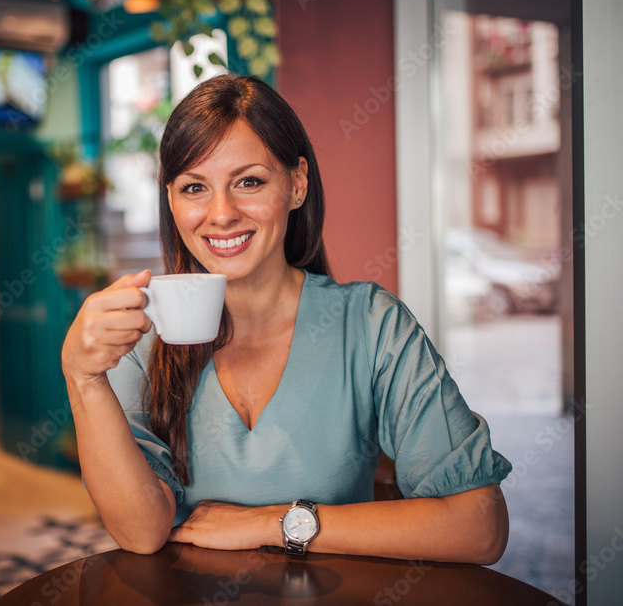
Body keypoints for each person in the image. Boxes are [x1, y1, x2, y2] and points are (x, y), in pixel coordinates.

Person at [60, 74, 511, 562]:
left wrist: (274, 523)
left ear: (296, 184)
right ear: (171, 200)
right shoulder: (141, 338)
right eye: (194, 187)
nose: (221, 213)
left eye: (249, 181)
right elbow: (141, 532)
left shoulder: (371, 324)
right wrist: (83, 378)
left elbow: (479, 525)